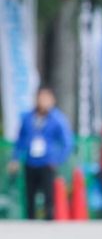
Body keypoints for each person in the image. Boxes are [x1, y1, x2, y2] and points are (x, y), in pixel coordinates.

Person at [6, 86, 74, 220]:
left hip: (47, 163)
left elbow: (68, 142)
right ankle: (31, 224)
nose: (42, 101)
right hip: (30, 161)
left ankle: (49, 225)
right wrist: (15, 159)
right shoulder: (28, 117)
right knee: (29, 196)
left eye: (46, 98)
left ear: (52, 100)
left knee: (49, 196)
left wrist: (57, 159)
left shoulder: (58, 119)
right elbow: (20, 140)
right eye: (40, 97)